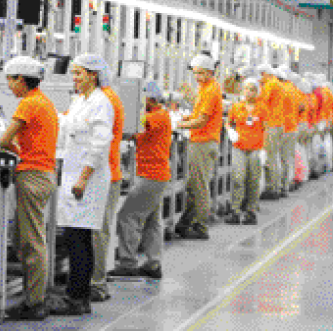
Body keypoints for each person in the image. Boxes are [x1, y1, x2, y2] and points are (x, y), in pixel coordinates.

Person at [0, 56, 58, 322]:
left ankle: (35, 302)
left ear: (20, 79)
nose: (9, 86)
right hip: (43, 174)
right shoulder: (44, 102)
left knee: (32, 241)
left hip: (32, 176)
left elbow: (4, 138)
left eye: (10, 81)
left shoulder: (29, 103)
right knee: (27, 238)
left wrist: (15, 151)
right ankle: (33, 296)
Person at [55, 53, 114, 315]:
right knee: (75, 236)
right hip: (74, 175)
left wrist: (83, 177)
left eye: (79, 73)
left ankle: (76, 298)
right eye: (73, 73)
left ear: (93, 75)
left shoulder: (101, 103)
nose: (75, 78)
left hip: (87, 179)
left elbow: (100, 145)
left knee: (78, 238)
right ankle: (79, 296)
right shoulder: (81, 101)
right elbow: (68, 127)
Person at [108, 81, 171, 280]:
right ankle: (153, 263)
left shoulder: (156, 117)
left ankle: (127, 263)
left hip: (151, 176)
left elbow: (130, 130)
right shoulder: (160, 115)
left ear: (150, 99)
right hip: (156, 175)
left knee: (127, 216)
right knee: (152, 221)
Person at [174, 52, 222, 240]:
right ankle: (185, 223)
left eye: (201, 73)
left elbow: (201, 121)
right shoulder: (204, 88)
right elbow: (198, 114)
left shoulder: (211, 90)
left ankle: (201, 227)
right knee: (194, 185)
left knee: (199, 186)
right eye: (195, 73)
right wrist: (185, 118)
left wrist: (178, 124)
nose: (197, 77)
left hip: (204, 142)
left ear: (210, 72)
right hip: (200, 141)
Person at [90, 73, 126, 303]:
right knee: (97, 230)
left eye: (78, 73)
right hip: (101, 173)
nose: (74, 79)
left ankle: (97, 284)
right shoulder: (102, 98)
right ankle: (94, 280)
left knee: (98, 231)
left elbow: (99, 140)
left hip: (104, 174)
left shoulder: (106, 100)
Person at [225, 78, 267, 225]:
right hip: (239, 147)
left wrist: (264, 150)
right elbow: (228, 122)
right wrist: (230, 131)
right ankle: (235, 210)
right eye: (247, 89)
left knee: (253, 180)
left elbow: (266, 128)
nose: (249, 92)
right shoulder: (236, 107)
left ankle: (250, 211)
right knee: (238, 178)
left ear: (257, 92)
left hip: (255, 149)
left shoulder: (262, 108)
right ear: (242, 91)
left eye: (253, 89)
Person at [257, 64, 285, 200]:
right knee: (275, 157)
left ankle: (273, 188)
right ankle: (275, 186)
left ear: (266, 74)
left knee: (270, 157)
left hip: (272, 125)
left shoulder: (270, 84)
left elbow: (261, 101)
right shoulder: (278, 84)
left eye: (261, 75)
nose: (260, 78)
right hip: (279, 124)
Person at [278, 67, 301, 194]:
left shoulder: (281, 89)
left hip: (283, 128)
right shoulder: (295, 90)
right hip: (293, 127)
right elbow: (301, 107)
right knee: (288, 159)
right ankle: (287, 185)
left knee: (279, 159)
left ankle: (279, 185)